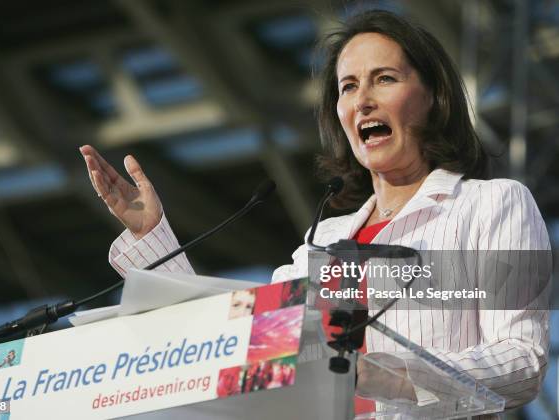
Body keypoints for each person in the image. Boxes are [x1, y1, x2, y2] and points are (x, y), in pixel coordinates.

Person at [80, 10, 549, 411]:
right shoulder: (321, 244)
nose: (362, 99)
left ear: (432, 97)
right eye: (348, 87)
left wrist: (392, 376)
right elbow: (234, 342)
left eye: (384, 79)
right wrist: (150, 235)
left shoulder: (491, 204)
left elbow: (522, 360)